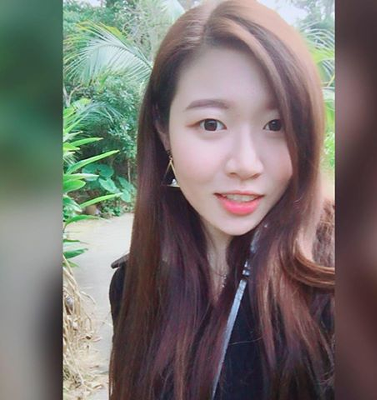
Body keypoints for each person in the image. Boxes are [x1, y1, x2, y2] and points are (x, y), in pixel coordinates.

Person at [109, 1, 334, 399]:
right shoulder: (134, 285)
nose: (246, 164)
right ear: (163, 129)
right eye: (211, 124)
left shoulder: (336, 288)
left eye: (276, 124)